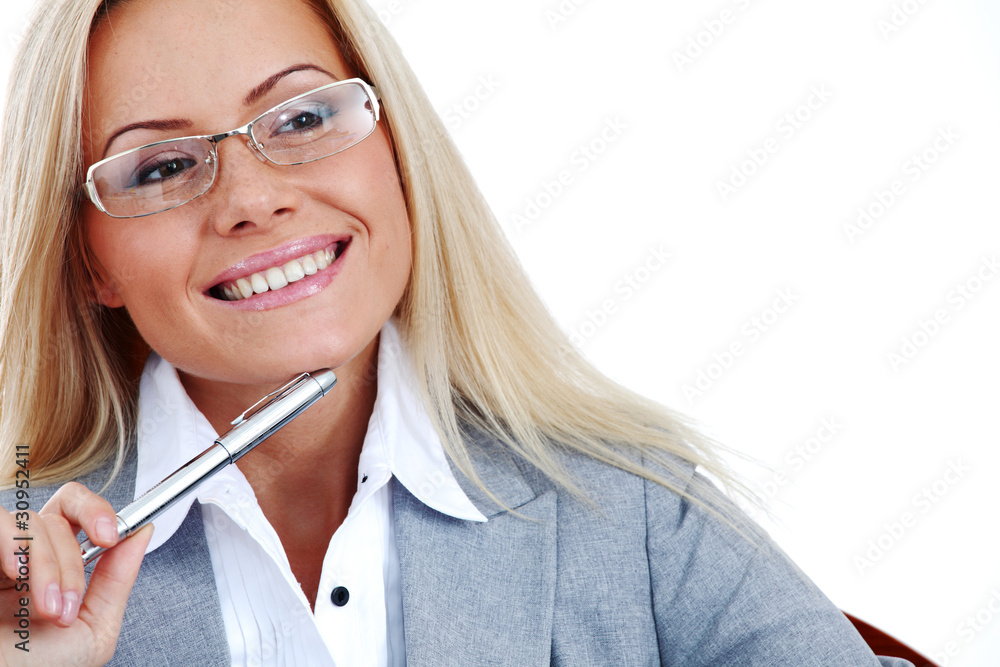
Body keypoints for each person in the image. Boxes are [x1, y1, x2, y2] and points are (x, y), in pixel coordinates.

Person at [0, 0, 916, 664]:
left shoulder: (635, 509)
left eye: (305, 116)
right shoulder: (21, 574)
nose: (253, 197)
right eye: (160, 165)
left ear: (397, 155)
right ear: (89, 263)